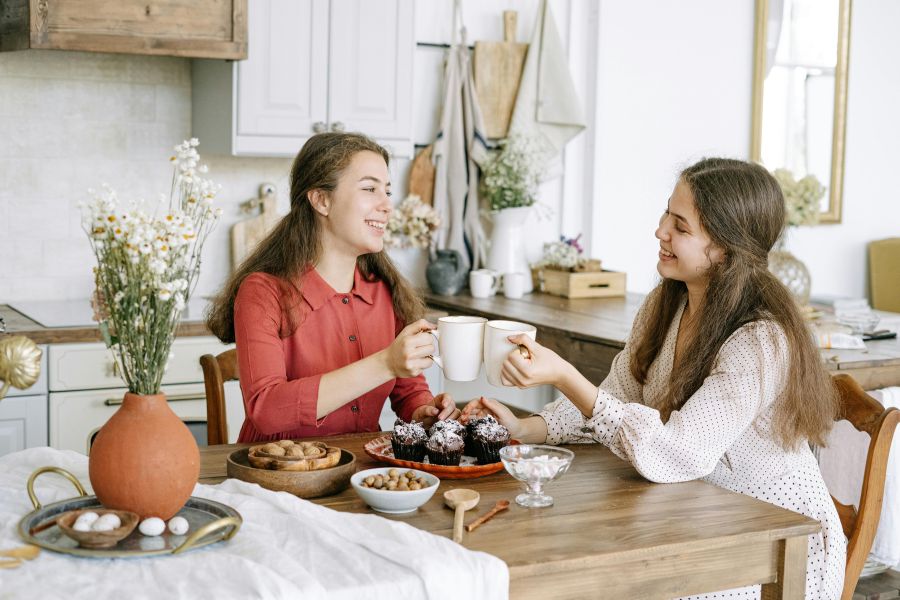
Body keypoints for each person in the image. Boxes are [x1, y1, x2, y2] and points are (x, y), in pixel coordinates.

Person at [463, 158, 845, 599]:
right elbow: (615, 398)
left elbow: (678, 453)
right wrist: (525, 428)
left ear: (725, 248)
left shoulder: (759, 341)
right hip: (692, 515)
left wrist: (566, 375)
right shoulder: (667, 304)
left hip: (771, 545)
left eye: (681, 227)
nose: (660, 231)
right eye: (667, 214)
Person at [207, 132, 457, 443]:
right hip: (276, 479)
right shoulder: (262, 292)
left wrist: (424, 410)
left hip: (362, 476)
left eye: (387, 191)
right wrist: (384, 363)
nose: (387, 206)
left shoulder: (385, 293)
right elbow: (266, 409)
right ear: (322, 200)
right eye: (369, 189)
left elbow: (408, 389)